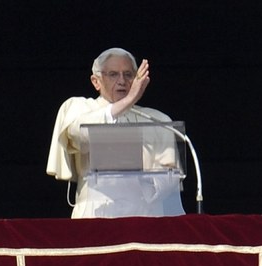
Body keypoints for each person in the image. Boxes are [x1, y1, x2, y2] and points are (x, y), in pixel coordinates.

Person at [46, 47, 184, 218]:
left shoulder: (158, 120)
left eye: (128, 75)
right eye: (113, 74)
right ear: (96, 81)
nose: (122, 81)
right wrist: (128, 100)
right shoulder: (79, 107)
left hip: (145, 215)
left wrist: (143, 181)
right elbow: (80, 135)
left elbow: (171, 176)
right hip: (96, 214)